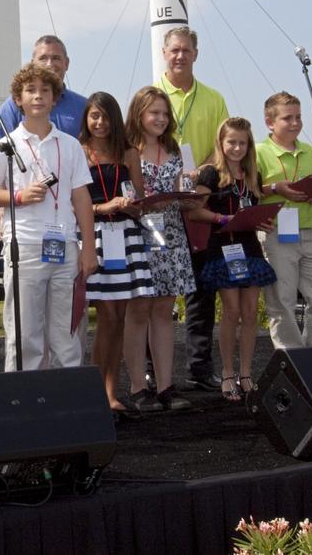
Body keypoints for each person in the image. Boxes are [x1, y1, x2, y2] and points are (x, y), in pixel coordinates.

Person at [0, 63, 97, 371]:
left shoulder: (70, 146)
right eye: (30, 90)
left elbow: (81, 197)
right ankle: (22, 405)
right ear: (18, 99)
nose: (38, 96)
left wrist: (89, 247)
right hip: (24, 246)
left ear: (55, 98)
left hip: (65, 246)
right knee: (24, 335)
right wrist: (18, 197)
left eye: (45, 90)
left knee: (66, 336)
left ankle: (65, 405)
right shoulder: (7, 145)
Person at [155, 26, 229, 390]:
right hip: (163, 203)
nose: (180, 56)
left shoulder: (214, 99)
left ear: (196, 54)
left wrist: (204, 180)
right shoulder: (152, 96)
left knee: (201, 289)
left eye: (186, 50)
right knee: (159, 288)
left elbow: (224, 146)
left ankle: (199, 367)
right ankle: (155, 370)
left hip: (200, 199)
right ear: (164, 53)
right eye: (174, 50)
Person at [78, 92, 153, 414]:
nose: (99, 123)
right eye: (94, 116)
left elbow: (139, 196)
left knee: (121, 318)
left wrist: (133, 205)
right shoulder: (79, 151)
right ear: (86, 119)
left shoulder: (129, 153)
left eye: (105, 117)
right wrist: (102, 206)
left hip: (126, 236)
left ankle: (111, 390)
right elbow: (74, 201)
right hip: (95, 235)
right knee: (107, 316)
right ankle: (99, 393)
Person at [192, 118, 277, 401]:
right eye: (232, 142)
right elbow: (194, 211)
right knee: (231, 311)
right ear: (221, 142)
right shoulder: (210, 175)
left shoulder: (252, 175)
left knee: (251, 311)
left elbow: (254, 208)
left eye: (242, 143)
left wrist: (262, 221)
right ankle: (228, 373)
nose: (237, 148)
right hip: (222, 247)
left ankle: (246, 373)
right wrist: (221, 218)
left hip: (249, 247)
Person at [125, 85, 196, 411]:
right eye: (154, 112)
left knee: (164, 312)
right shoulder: (127, 152)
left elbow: (187, 196)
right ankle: (139, 387)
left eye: (165, 114)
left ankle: (167, 385)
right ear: (139, 113)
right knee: (139, 312)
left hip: (172, 236)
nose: (161, 119)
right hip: (140, 235)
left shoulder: (179, 151)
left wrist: (189, 192)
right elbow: (127, 197)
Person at [257, 91, 312, 349]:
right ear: (270, 122)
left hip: (309, 229)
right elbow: (249, 191)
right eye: (288, 118)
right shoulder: (258, 151)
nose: (296, 123)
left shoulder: (309, 151)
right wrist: (276, 188)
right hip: (276, 231)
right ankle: (292, 357)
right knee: (282, 300)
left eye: (298, 117)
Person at [0, 35, 88, 154]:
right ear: (33, 63)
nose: (49, 64)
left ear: (66, 63)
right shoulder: (14, 106)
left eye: (56, 58)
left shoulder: (84, 106)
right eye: (43, 58)